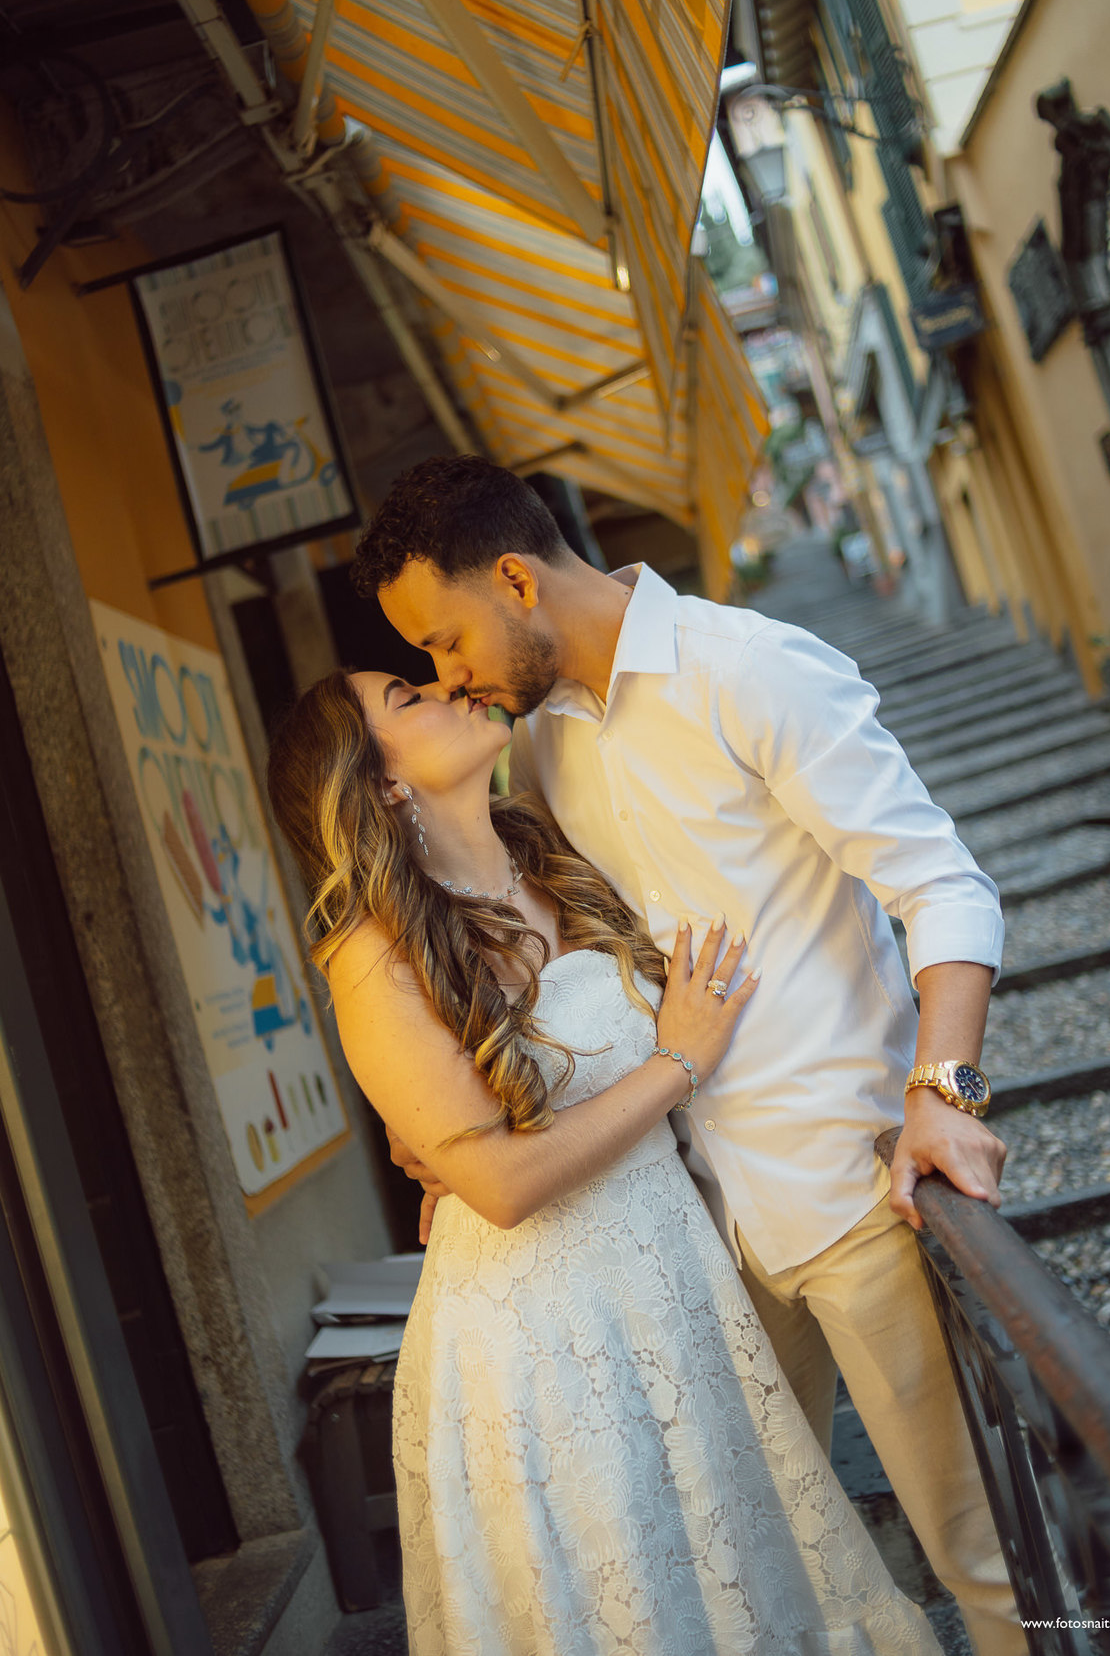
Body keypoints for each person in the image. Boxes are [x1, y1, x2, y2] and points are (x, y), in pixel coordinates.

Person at [349, 455, 1024, 1656]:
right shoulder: (546, 746)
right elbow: (550, 959)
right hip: (695, 1237)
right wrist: (444, 1112)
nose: (445, 677)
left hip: (853, 1195)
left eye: (446, 642)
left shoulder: (748, 668)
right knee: (765, 1568)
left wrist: (944, 1089)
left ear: (515, 578)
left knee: (975, 1546)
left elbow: (941, 882)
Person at [267, 667, 940, 1655]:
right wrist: (679, 1060)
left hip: (675, 1286)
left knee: (740, 1588)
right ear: (383, 785)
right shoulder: (374, 954)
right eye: (409, 697)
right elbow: (499, 1185)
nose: (446, 685)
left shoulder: (554, 855)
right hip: (545, 1333)